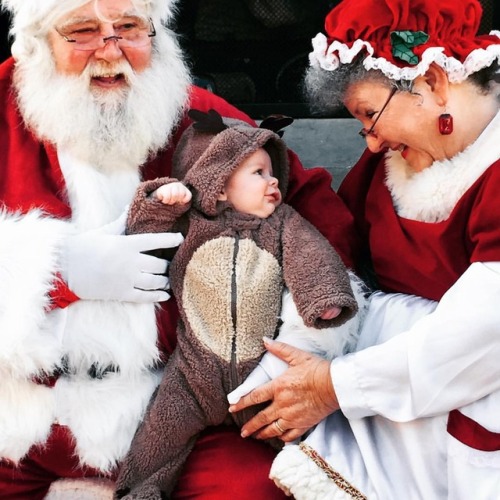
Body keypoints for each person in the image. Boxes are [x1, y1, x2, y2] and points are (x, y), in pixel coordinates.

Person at [0, 0, 361, 498]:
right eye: (81, 32)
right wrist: (54, 272)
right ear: (38, 44)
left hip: (181, 406)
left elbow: (314, 217)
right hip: (18, 416)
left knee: (251, 489)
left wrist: (293, 353)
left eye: (129, 28)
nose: (110, 52)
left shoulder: (200, 120)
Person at [228, 0, 500, 498]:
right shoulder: (387, 168)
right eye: (362, 126)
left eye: (371, 116)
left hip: (458, 412)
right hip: (379, 396)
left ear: (434, 81)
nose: (371, 144)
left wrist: (334, 387)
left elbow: (482, 335)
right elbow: (338, 260)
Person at [113, 109, 360, 498]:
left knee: (304, 434)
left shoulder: (283, 224)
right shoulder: (190, 224)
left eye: (272, 171)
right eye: (258, 173)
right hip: (193, 374)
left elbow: (311, 257)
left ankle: (337, 484)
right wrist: (163, 202)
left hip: (260, 374)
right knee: (159, 436)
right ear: (219, 185)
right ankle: (140, 491)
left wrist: (324, 298)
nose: (273, 180)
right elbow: (142, 234)